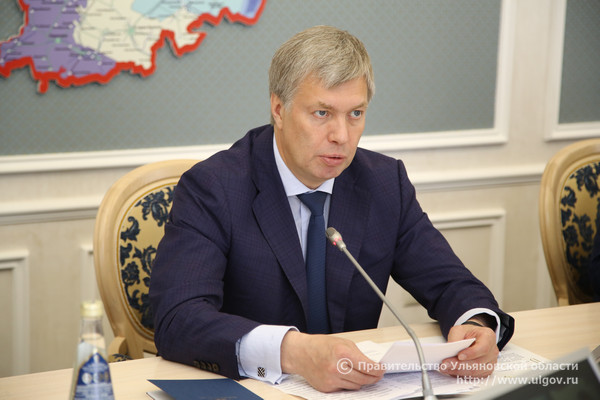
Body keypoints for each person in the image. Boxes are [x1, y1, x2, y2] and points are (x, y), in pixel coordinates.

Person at [149, 25, 514, 393]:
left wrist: (478, 325)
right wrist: (294, 352)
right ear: (279, 109)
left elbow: (450, 283)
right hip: (254, 389)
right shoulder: (214, 187)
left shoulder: (384, 183)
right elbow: (178, 319)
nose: (341, 135)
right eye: (322, 113)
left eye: (355, 113)